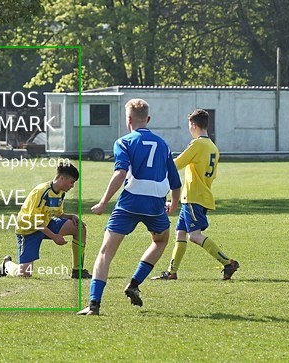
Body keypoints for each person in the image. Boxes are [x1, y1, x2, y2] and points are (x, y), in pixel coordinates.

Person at [78, 99, 182, 316]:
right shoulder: (163, 144)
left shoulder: (123, 142)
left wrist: (104, 202)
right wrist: (174, 202)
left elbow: (120, 173)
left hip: (129, 203)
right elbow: (175, 181)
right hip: (155, 204)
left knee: (106, 253)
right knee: (161, 240)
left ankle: (94, 304)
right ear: (148, 119)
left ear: (128, 120)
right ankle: (134, 283)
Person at [152, 109, 239, 281]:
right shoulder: (213, 147)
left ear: (193, 125)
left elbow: (177, 164)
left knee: (195, 236)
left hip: (194, 197)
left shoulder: (197, 144)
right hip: (197, 196)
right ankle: (171, 272)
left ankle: (228, 262)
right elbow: (212, 175)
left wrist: (158, 162)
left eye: (189, 126)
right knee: (180, 234)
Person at [0, 162, 90, 279]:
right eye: (72, 182)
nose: (72, 186)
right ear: (62, 178)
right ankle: (7, 264)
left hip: (46, 224)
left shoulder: (60, 193)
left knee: (79, 227)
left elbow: (57, 213)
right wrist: (54, 236)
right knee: (24, 274)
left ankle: (77, 270)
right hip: (28, 230)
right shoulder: (41, 191)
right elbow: (35, 221)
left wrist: (71, 216)